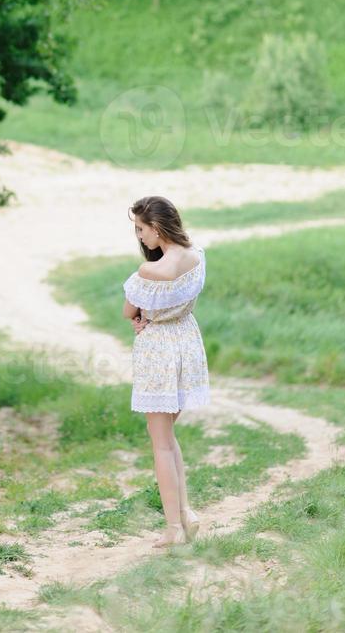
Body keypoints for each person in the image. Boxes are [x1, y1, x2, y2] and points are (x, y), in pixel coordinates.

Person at [122, 195, 210, 549]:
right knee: (169, 437)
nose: (140, 237)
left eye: (141, 229)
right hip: (186, 343)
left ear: (156, 228)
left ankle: (173, 527)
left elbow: (130, 310)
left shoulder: (150, 271)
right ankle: (186, 515)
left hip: (158, 350)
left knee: (160, 443)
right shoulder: (196, 256)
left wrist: (140, 318)